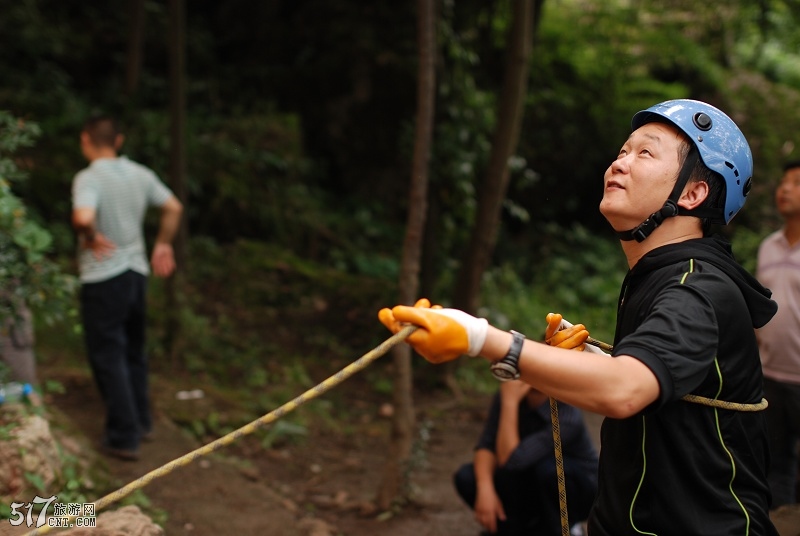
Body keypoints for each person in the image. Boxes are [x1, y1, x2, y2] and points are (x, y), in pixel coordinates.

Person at [379, 99, 781, 535]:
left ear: (692, 193)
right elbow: (659, 391)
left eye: (645, 152)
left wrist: (482, 339)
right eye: (623, 151)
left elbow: (625, 391)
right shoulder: (660, 277)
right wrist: (595, 362)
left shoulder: (695, 288)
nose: (620, 163)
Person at [71, 115, 183, 461]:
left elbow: (83, 217)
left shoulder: (88, 178)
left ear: (85, 140)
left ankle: (123, 435)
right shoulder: (140, 174)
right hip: (136, 273)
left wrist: (89, 236)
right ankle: (142, 421)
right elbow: (173, 206)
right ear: (118, 141)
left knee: (108, 353)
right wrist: (163, 243)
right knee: (133, 350)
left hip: (104, 276)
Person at [455, 317, 598, 536]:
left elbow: (512, 460)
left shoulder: (567, 412)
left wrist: (510, 403)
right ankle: (512, 528)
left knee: (546, 472)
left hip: (574, 490)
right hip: (529, 479)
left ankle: (566, 528)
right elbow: (487, 446)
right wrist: (485, 489)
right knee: (468, 477)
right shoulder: (510, 394)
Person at [756, 160, 800, 508]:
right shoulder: (768, 246)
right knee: (775, 462)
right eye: (783, 182)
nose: (784, 189)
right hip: (769, 374)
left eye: (796, 183)